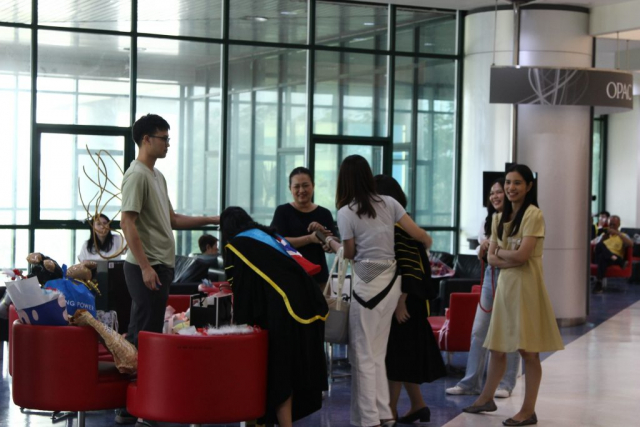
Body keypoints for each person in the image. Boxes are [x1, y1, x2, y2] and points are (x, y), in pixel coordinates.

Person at [117, 114, 219, 427]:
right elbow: (127, 222)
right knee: (145, 335)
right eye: (164, 138)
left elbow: (172, 220)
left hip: (161, 264)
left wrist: (212, 219)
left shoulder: (156, 175)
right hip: (147, 266)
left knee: (143, 331)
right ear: (146, 139)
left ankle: (132, 405)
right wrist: (146, 267)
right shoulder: (137, 175)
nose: (168, 144)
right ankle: (138, 406)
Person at [462, 164, 564, 427]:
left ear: (529, 186)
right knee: (497, 347)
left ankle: (528, 411)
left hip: (527, 289)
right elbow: (493, 259)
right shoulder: (498, 218)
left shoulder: (533, 214)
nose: (510, 188)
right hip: (505, 287)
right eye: (508, 182)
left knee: (528, 352)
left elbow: (522, 256)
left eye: (517, 183)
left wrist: (503, 253)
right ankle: (486, 398)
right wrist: (508, 255)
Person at [336, 155, 432, 427]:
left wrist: (333, 245)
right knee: (377, 354)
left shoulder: (346, 212)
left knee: (362, 355)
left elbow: (350, 253)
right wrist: (426, 241)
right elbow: (419, 235)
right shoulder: (390, 203)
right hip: (391, 283)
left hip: (367, 284)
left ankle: (370, 420)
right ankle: (384, 414)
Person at [221, 206, 328, 427]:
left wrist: (241, 324)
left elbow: (242, 289)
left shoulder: (237, 245)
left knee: (275, 374)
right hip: (306, 307)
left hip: (281, 313)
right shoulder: (270, 236)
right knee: (288, 373)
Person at [374, 175, 446, 425]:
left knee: (396, 358)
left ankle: (390, 412)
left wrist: (401, 301)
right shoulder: (403, 222)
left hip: (405, 301)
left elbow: (408, 266)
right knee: (404, 355)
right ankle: (418, 405)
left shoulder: (397, 226)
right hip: (410, 298)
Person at [446, 177, 521, 399]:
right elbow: (482, 251)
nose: (495, 196)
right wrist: (484, 247)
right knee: (479, 330)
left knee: (510, 331)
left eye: (499, 192)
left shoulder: (520, 219)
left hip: (512, 276)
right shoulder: (489, 221)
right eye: (492, 193)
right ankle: (471, 383)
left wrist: (493, 250)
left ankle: (506, 384)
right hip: (490, 275)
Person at [271, 167, 338, 285]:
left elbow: (336, 245)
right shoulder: (282, 211)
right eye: (296, 186)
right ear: (290, 188)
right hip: (289, 276)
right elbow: (277, 242)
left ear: (313, 186)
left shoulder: (324, 213)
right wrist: (310, 239)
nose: (301, 190)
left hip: (319, 278)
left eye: (305, 185)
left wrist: (323, 235)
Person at [591, 214, 633, 294]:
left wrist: (618, 234)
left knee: (603, 257)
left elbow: (631, 244)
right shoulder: (604, 235)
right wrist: (603, 239)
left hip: (610, 260)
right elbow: (596, 249)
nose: (612, 226)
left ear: (619, 225)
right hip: (606, 258)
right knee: (600, 245)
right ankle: (618, 260)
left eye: (614, 224)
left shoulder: (623, 235)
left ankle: (599, 284)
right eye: (610, 224)